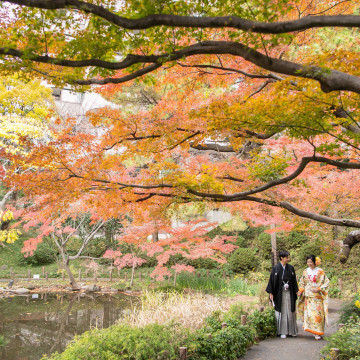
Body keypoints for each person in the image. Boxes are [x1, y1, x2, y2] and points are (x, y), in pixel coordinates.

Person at [266, 250, 298, 338]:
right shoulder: (276, 268)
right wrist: (271, 292)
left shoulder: (291, 268)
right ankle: (282, 331)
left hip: (289, 292)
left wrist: (296, 291)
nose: (288, 259)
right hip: (279, 293)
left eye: (288, 257)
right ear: (281, 258)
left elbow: (294, 281)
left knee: (290, 310)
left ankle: (291, 331)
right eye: (286, 257)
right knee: (282, 311)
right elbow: (272, 281)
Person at [297, 255, 329, 340]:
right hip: (308, 296)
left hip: (317, 297)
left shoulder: (320, 271)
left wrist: (319, 289)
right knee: (310, 315)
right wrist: (301, 290)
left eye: (311, 262)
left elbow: (326, 282)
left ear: (315, 262)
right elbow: (302, 282)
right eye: (308, 262)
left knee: (318, 314)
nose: (309, 264)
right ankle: (313, 331)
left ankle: (318, 332)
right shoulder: (305, 271)